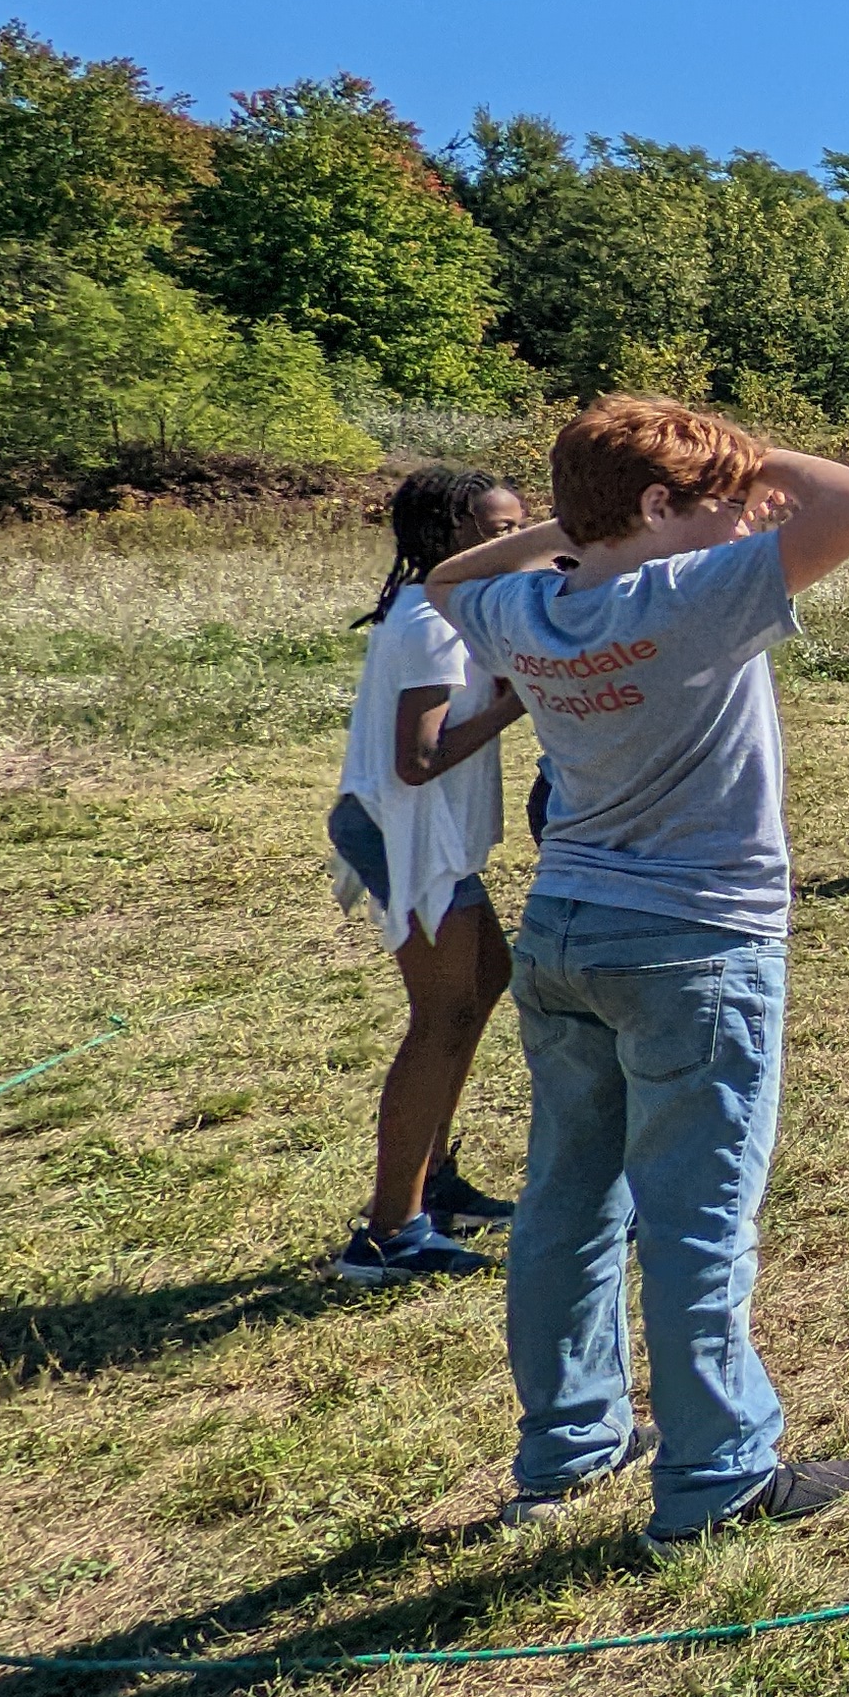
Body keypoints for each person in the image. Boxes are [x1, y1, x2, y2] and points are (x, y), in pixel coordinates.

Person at [428, 395, 849, 1542]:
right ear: (659, 507)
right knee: (699, 1218)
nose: (744, 525)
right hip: (698, 947)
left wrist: (577, 529)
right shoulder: (691, 593)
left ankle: (570, 1443)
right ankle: (717, 1474)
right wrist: (730, 456)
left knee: (568, 1202)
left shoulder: (535, 602)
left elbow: (443, 583)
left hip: (568, 931)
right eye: (721, 508)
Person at [325, 465, 536, 1283]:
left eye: (521, 523)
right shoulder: (430, 621)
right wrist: (512, 705)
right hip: (402, 832)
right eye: (497, 527)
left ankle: (433, 1182)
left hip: (417, 829)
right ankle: (389, 1232)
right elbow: (416, 762)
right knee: (442, 1013)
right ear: (448, 537)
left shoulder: (447, 610)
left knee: (488, 977)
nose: (515, 540)